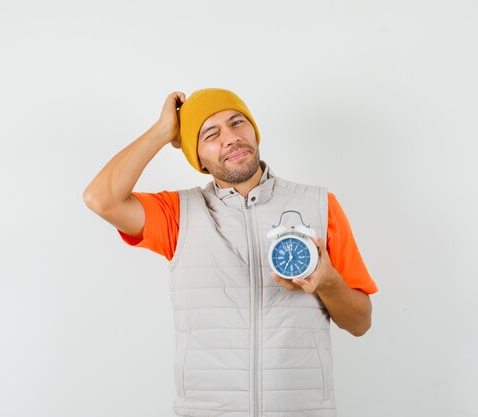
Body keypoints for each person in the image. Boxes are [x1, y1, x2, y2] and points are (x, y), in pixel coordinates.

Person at [83, 88, 377, 417]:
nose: (231, 138)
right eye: (211, 133)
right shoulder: (177, 214)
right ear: (199, 159)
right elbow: (100, 198)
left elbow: (360, 322)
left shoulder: (320, 205)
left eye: (237, 123)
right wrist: (164, 129)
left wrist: (326, 281)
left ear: (253, 129)